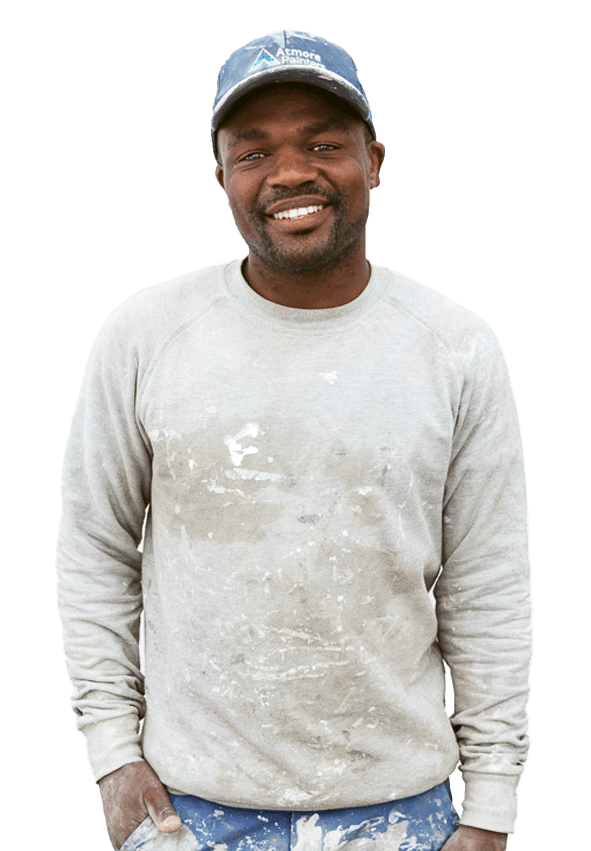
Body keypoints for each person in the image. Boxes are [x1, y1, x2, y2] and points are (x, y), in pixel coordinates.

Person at [56, 29, 533, 851]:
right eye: (253, 152)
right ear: (222, 178)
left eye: (321, 144)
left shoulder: (455, 346)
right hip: (187, 810)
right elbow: (95, 550)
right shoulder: (145, 333)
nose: (288, 173)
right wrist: (111, 752)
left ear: (372, 161)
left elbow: (486, 582)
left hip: (401, 812)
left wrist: (490, 805)